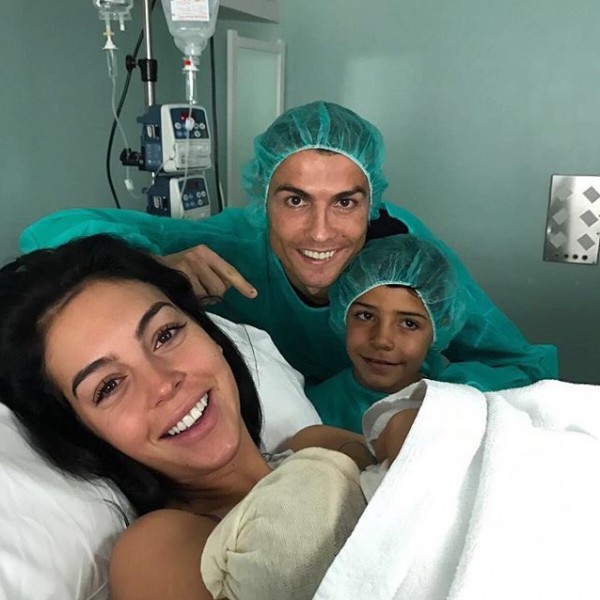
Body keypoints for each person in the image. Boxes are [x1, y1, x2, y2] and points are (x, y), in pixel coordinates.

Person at [18, 101, 558, 389]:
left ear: (371, 204)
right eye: (295, 200)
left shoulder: (404, 254)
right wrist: (151, 265)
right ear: (263, 200)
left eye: (344, 203)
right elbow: (47, 233)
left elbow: (519, 364)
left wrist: (425, 390)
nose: (320, 232)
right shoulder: (228, 246)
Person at [0, 234, 418, 600]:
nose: (164, 384)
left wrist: (413, 431)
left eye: (165, 335)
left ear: (211, 335)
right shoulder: (157, 550)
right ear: (85, 432)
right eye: (108, 386)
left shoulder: (318, 445)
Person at [307, 234, 535, 433]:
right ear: (342, 314)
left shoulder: (465, 400)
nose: (382, 340)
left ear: (439, 328)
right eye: (366, 316)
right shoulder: (311, 407)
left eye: (409, 323)